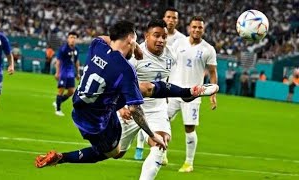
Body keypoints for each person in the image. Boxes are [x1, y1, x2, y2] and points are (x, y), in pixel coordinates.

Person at [34, 20, 218, 174]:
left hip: (85, 107)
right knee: (113, 152)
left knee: (145, 89)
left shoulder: (97, 46)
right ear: (131, 39)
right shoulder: (124, 68)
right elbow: (135, 110)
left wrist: (135, 46)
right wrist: (152, 134)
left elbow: (102, 38)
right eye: (136, 40)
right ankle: (62, 157)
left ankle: (187, 92)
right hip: (99, 121)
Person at [134, 7, 186, 162]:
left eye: (164, 37)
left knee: (160, 145)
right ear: (147, 36)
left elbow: (166, 77)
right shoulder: (134, 55)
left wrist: (166, 93)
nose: (161, 40)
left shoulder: (172, 55)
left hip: (157, 107)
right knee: (115, 151)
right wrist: (122, 107)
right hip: (133, 106)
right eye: (156, 36)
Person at [167, 16, 218, 173]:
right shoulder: (178, 43)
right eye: (194, 27)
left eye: (200, 28)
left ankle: (189, 163)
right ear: (189, 28)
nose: (196, 30)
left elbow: (212, 72)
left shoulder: (208, 49)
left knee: (189, 128)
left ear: (203, 29)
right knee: (161, 120)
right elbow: (169, 64)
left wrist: (213, 94)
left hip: (193, 94)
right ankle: (161, 154)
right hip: (174, 90)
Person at [52, 32, 80, 116]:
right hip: (63, 72)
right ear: (68, 39)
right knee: (61, 90)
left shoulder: (76, 49)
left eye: (74, 38)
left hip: (71, 73)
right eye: (71, 37)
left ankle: (58, 101)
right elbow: (58, 61)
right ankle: (58, 110)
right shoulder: (63, 49)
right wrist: (57, 72)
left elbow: (76, 61)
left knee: (71, 91)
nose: (73, 39)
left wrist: (78, 73)